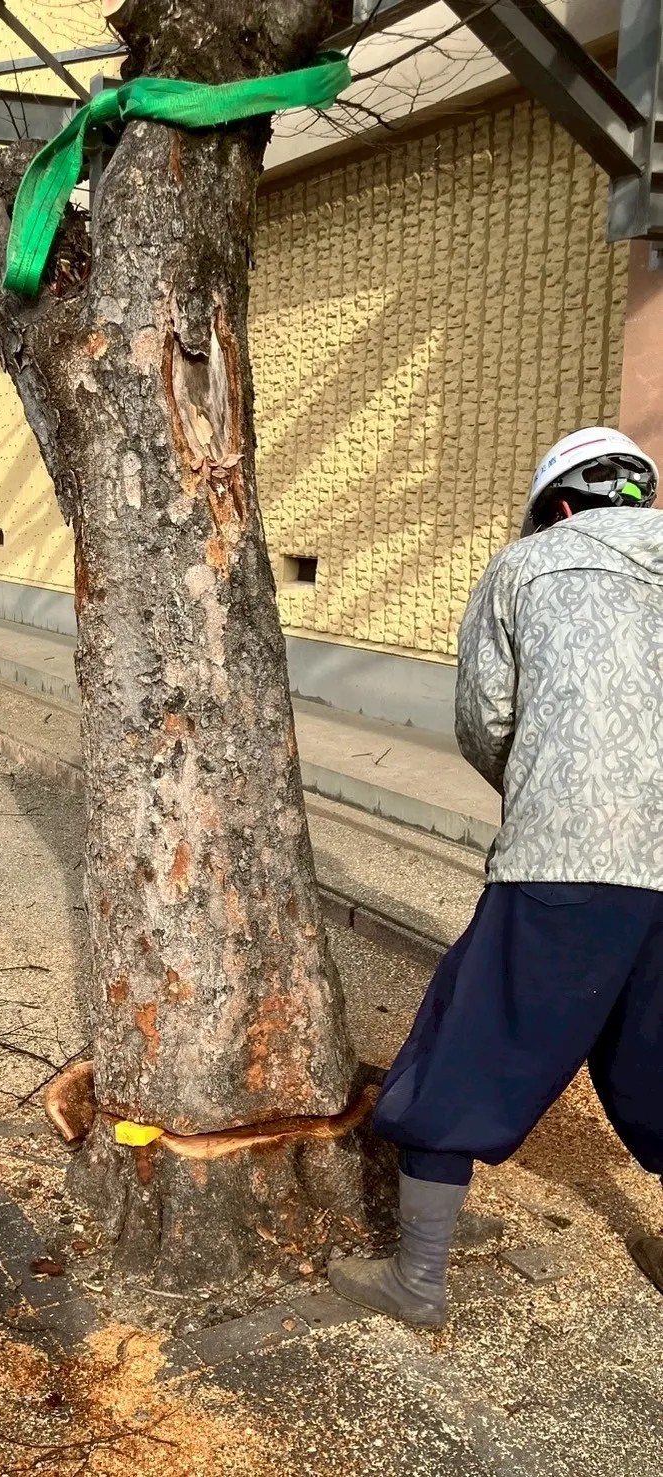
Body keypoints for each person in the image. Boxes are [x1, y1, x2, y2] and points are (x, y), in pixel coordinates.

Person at [329, 426, 663, 1330]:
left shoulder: (525, 565)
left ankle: (417, 1279)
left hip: (571, 851)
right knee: (655, 1053)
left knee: (468, 1039)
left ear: (559, 504)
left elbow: (487, 717)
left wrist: (541, 787)